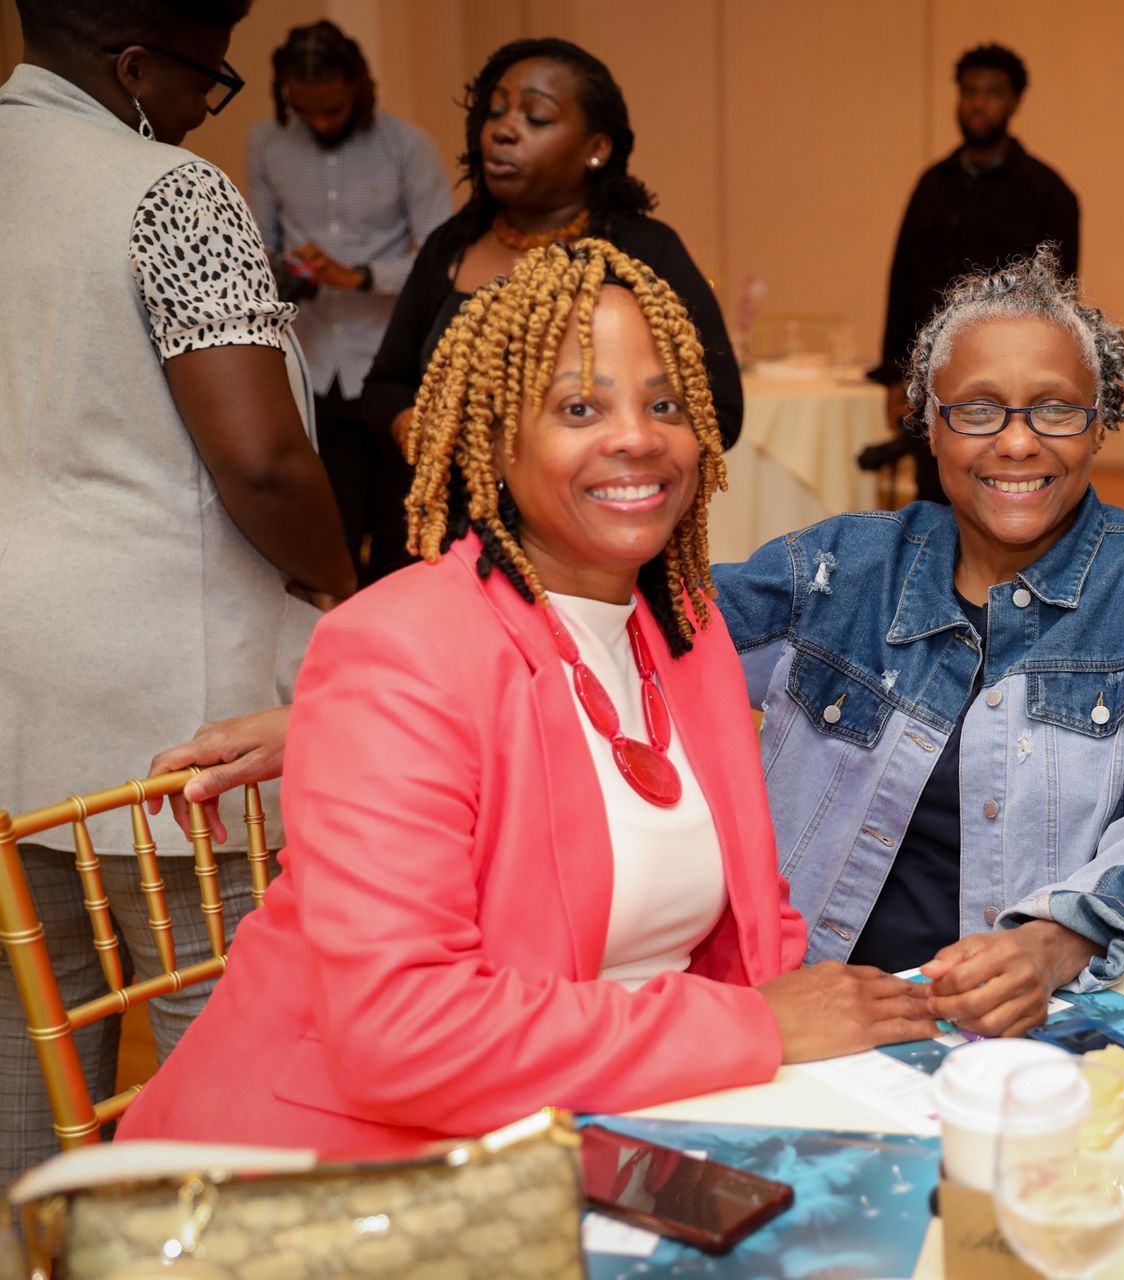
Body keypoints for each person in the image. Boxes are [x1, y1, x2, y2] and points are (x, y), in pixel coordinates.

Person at [118, 241, 936, 1150]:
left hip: (614, 1125)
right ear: (495, 441)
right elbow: (404, 1038)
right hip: (362, 1170)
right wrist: (755, 1033)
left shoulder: (684, 628)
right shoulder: (398, 650)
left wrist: (794, 1075)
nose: (637, 436)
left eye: (664, 403)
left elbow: (753, 921)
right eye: (579, 407)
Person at [715, 249, 1124, 1037]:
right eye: (978, 408)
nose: (1018, 442)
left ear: (1100, 424)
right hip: (804, 1016)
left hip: (1016, 1033)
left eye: (1055, 408)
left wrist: (1056, 941)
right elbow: (649, 647)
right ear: (928, 426)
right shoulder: (838, 571)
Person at [0, 0, 356, 1178]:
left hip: (16, 696)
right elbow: (259, 455)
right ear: (138, 65)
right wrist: (349, 599)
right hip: (166, 711)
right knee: (232, 1068)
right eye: (212, 76)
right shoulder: (170, 193)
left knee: (33, 1070)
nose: (217, 106)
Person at [361, 37, 741, 584]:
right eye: (495, 112)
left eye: (536, 117)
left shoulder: (644, 252)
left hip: (597, 562)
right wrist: (451, 439)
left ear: (597, 149)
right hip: (443, 546)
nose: (504, 129)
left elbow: (718, 407)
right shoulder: (452, 246)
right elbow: (385, 386)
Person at [247, 19, 453, 584]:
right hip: (310, 366)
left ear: (359, 88)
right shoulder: (266, 143)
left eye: (332, 110)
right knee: (330, 523)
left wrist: (359, 276)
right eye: (304, 109)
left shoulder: (406, 146)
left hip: (390, 367)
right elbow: (259, 244)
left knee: (399, 528)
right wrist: (288, 270)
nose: (318, 121)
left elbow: (443, 259)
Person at [871, 43, 1080, 506]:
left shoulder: (1048, 193)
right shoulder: (932, 184)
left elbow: (1059, 304)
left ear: (1015, 102)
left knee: (1004, 492)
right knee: (933, 494)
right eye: (969, 92)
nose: (978, 103)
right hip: (934, 378)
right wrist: (894, 377)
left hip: (1011, 383)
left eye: (992, 92)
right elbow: (901, 280)